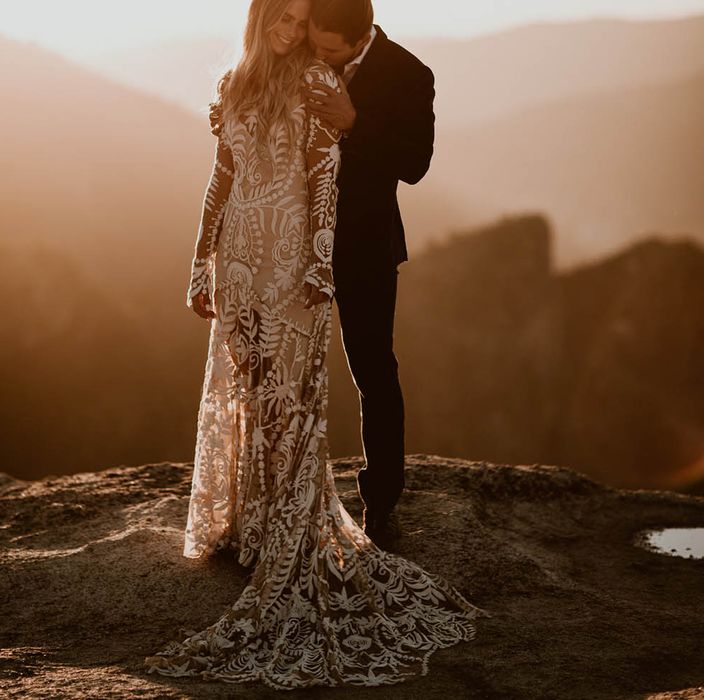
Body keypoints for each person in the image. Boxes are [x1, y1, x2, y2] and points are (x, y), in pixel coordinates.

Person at [143, 0, 489, 690]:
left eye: (313, 32)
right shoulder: (238, 82)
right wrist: (199, 259)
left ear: (351, 38)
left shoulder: (391, 74)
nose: (303, 41)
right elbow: (223, 173)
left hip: (339, 253)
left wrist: (320, 250)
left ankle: (378, 502)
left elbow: (392, 168)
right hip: (245, 257)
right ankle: (252, 517)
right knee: (248, 389)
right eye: (289, 22)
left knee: (362, 372)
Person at [303, 0, 436, 549]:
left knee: (374, 371)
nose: (318, 55)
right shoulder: (300, 56)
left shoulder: (410, 73)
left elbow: (416, 163)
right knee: (285, 369)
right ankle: (286, 496)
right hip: (293, 241)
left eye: (329, 49)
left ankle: (381, 503)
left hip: (366, 247)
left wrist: (354, 123)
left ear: (360, 38)